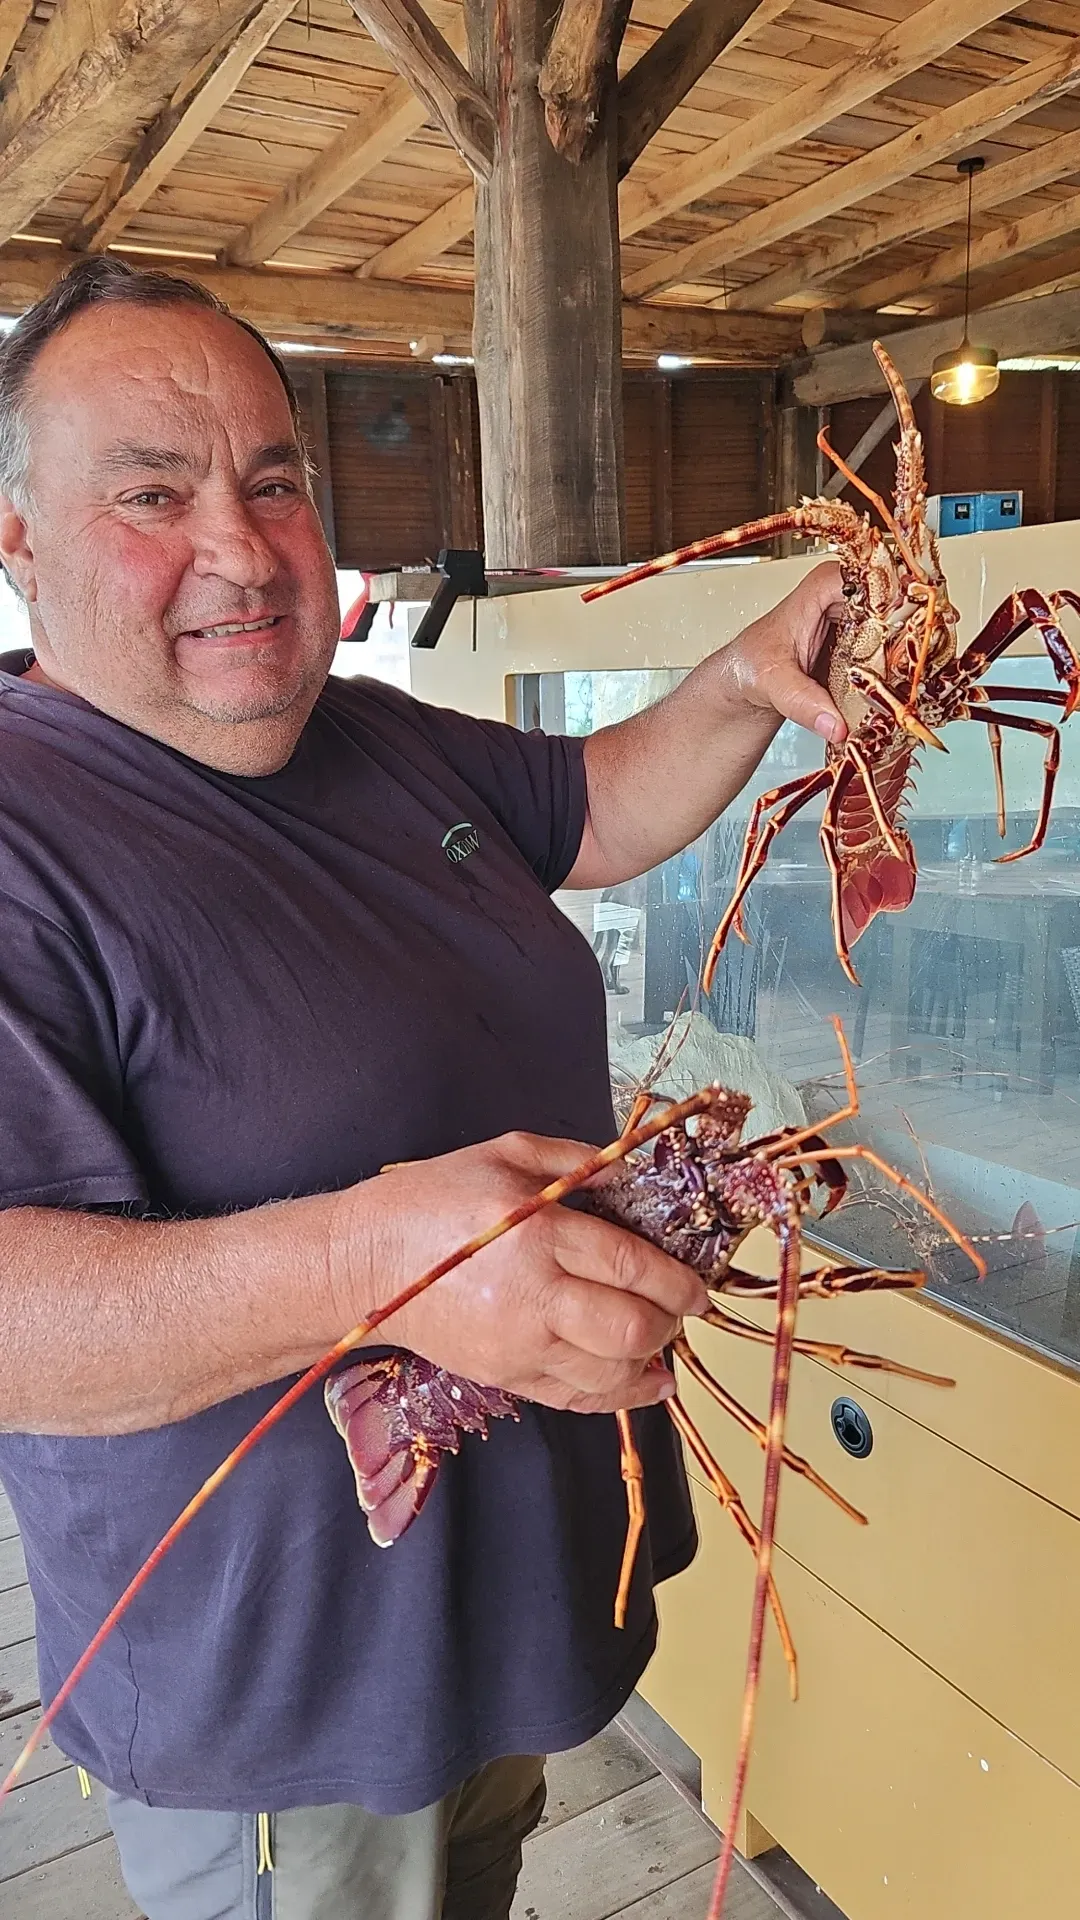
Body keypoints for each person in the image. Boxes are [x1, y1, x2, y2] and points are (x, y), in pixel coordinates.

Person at [0, 255, 846, 1920]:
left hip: (497, 1618)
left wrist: (749, 678)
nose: (239, 550)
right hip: (289, 1701)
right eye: (151, 495)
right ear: (19, 541)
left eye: (274, 483)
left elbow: (597, 803)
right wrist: (371, 1264)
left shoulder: (375, 734)